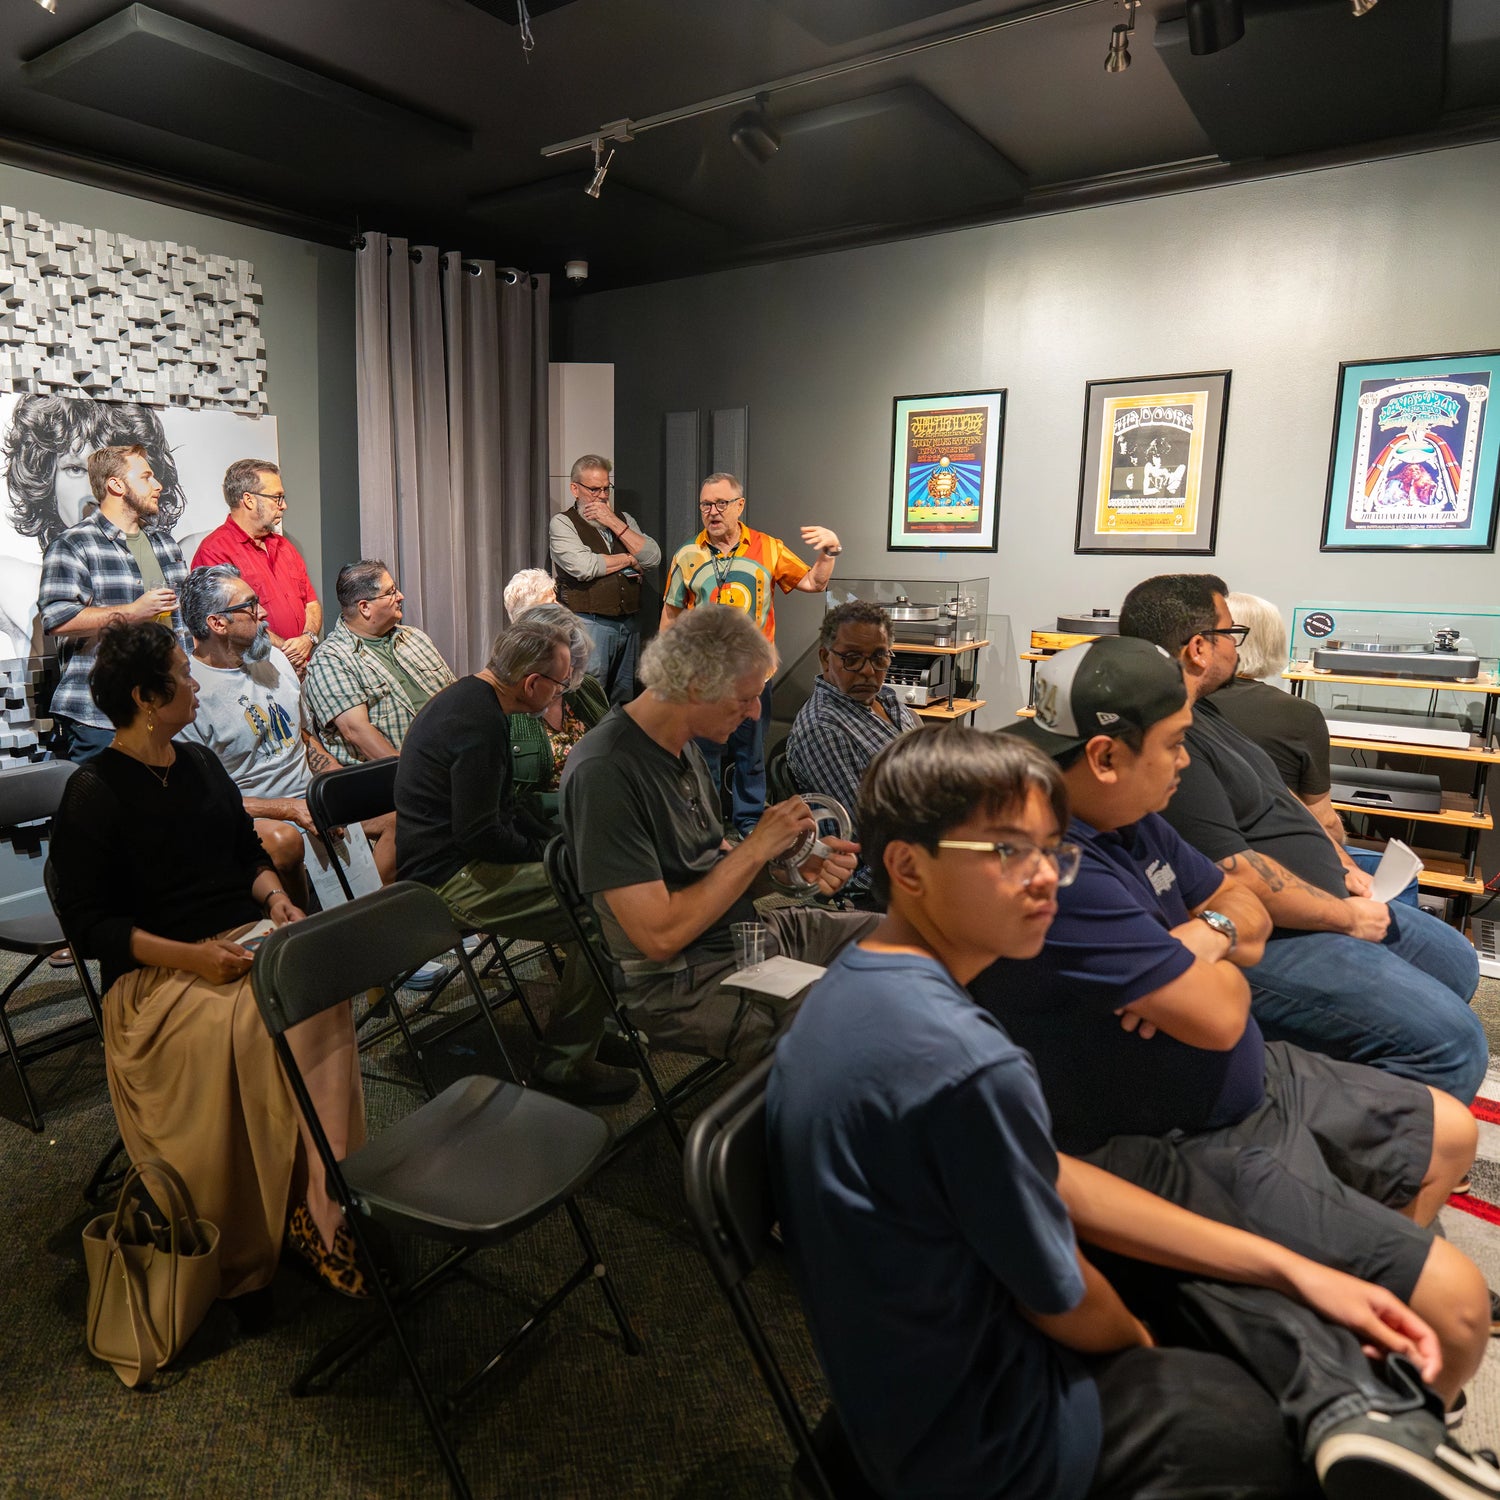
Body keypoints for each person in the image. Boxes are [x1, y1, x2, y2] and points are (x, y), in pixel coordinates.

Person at [767, 726, 1499, 1500]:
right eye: (1011, 853)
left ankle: (1370, 1411)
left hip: (892, 1395)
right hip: (990, 1439)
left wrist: (1286, 1267)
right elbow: (1071, 1301)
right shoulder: (959, 1056)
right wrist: (1145, 1350)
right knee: (1249, 1411)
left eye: (1056, 850)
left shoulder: (861, 982)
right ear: (908, 866)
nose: (1049, 879)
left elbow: (1052, 1179)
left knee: (1266, 1289)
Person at [969, 636, 1485, 1396]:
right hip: (1173, 1134)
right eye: (1175, 744)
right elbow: (1220, 1009)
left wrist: (1200, 940)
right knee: (1459, 1309)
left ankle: (1344, 1348)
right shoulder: (1057, 865)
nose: (1186, 761)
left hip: (1245, 1079)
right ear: (1106, 755)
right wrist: (1223, 954)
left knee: (1453, 1132)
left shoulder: (1128, 815)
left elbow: (1243, 902)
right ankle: (1356, 1374)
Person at [48, 620, 369, 1299]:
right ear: (144, 697)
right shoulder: (94, 790)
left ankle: (323, 1196)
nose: (196, 683)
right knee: (282, 1009)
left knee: (324, 978)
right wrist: (193, 958)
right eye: (182, 676)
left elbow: (245, 853)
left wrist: (276, 898)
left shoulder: (198, 764)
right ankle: (320, 1204)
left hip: (235, 940)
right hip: (156, 981)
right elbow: (91, 928)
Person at [1119, 573, 1487, 1104]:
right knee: (1453, 1041)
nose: (1234, 647)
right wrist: (1345, 916)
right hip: (1274, 930)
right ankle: (1357, 1158)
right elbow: (1231, 872)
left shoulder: (1209, 709)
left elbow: (1281, 796)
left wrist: (1344, 863)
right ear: (1198, 648)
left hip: (1326, 898)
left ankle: (1357, 1081)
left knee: (1454, 958)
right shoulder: (1171, 738)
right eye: (1230, 633)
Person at [559, 603, 878, 1063]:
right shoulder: (606, 772)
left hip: (747, 937)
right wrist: (757, 850)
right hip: (682, 981)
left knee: (914, 940)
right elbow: (659, 938)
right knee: (862, 1024)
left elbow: (715, 871)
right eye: (744, 698)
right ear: (694, 687)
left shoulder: (682, 748)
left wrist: (790, 868)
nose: (753, 715)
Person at [395, 604, 638, 1106]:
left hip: (457, 860)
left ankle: (583, 1030)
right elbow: (481, 833)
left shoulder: (477, 701)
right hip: (446, 879)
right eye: (559, 683)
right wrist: (550, 857)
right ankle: (564, 1064)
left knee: (591, 887)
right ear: (531, 684)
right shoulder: (478, 722)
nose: (562, 692)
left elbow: (504, 809)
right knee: (602, 909)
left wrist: (555, 848)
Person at [176, 564, 399, 892]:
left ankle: (368, 911)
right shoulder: (192, 691)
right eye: (250, 606)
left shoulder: (276, 661)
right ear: (217, 623)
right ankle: (307, 930)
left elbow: (304, 738)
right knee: (287, 841)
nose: (262, 612)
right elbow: (204, 799)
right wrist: (289, 809)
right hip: (260, 815)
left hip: (310, 797)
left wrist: (336, 784)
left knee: (401, 812)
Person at [660, 471, 842, 835]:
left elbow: (813, 582)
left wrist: (829, 552)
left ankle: (749, 824)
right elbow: (671, 615)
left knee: (751, 756)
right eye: (706, 505)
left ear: (739, 506)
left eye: (721, 504)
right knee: (704, 759)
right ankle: (707, 826)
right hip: (705, 680)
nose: (713, 512)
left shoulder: (768, 548)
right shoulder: (686, 555)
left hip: (755, 679)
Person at [39, 444, 188, 763]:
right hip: (102, 714)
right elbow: (57, 619)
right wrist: (133, 612)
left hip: (163, 706)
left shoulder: (164, 543)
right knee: (105, 809)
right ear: (116, 485)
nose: (158, 485)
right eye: (146, 476)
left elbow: (182, 624)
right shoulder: (74, 544)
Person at [785, 599, 921, 904]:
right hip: (878, 885)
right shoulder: (825, 729)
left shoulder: (887, 701)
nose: (867, 671)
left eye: (879, 657)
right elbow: (871, 838)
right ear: (825, 658)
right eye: (852, 659)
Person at [302, 559, 455, 767]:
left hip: (453, 757)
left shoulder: (415, 638)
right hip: (398, 778)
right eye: (390, 592)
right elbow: (357, 732)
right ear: (365, 607)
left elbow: (454, 697)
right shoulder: (331, 660)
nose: (400, 597)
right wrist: (412, 775)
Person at [4, 392, 187, 550]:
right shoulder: (21, 581)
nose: (95, 493)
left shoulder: (167, 552)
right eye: (75, 469)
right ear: (47, 480)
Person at [190, 460, 322, 678]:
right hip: (254, 675)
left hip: (301, 672)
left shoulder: (285, 546)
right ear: (249, 500)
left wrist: (308, 638)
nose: (284, 505)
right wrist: (288, 652)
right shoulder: (215, 551)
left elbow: (311, 603)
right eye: (277, 497)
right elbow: (229, 622)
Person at [548, 454, 660, 707]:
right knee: (590, 694)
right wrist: (630, 559)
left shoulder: (623, 519)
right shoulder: (564, 523)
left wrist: (612, 521)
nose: (601, 495)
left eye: (606, 488)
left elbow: (652, 557)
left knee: (624, 696)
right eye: (594, 489)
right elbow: (584, 567)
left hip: (628, 623)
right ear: (575, 489)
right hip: (590, 622)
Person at [501, 571, 608, 823]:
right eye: (551, 603)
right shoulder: (504, 705)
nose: (560, 608)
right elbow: (507, 801)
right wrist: (573, 800)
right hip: (541, 829)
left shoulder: (585, 687)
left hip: (599, 814)